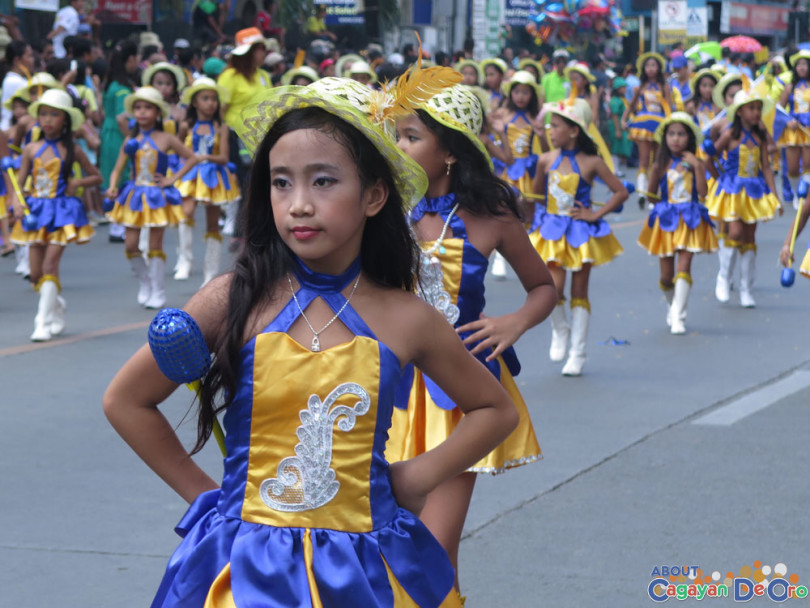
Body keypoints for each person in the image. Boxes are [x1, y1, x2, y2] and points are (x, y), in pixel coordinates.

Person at [102, 75, 518, 607]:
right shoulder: (233, 298)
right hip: (243, 572)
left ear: (373, 195)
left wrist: (417, 477)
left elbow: (494, 409)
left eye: (322, 182)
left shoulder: (408, 317)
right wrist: (207, 496)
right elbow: (126, 400)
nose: (298, 204)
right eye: (281, 182)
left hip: (363, 573)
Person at [389, 83, 555, 600]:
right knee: (378, 539)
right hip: (382, 386)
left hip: (459, 393)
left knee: (434, 548)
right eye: (395, 135)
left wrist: (514, 323)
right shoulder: (379, 208)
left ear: (451, 151)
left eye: (411, 137)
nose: (397, 147)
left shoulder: (493, 215)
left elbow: (544, 287)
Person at [530, 98, 628, 376]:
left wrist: (595, 215)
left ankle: (578, 353)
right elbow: (537, 198)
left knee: (579, 292)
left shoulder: (592, 162)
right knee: (552, 288)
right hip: (551, 232)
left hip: (579, 233)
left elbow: (620, 192)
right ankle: (560, 329)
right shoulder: (545, 160)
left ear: (574, 131)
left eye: (556, 126)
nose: (550, 130)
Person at [8, 89, 100, 341]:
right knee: (36, 274)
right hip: (36, 212)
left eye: (54, 115)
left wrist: (77, 183)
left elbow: (97, 177)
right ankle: (57, 305)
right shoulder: (30, 148)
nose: (47, 120)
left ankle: (42, 322)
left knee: (50, 266)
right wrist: (16, 203)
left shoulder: (73, 150)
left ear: (65, 120)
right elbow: (19, 181)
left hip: (62, 212)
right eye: (44, 114)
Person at [105, 86, 198, 309]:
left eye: (147, 108)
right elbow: (118, 168)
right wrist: (111, 186)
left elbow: (192, 158)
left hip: (157, 195)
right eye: (138, 108)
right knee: (130, 245)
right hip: (134, 194)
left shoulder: (166, 138)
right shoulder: (130, 139)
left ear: (158, 112)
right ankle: (144, 282)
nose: (142, 112)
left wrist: (172, 179)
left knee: (155, 244)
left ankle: (158, 290)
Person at [637, 112, 717, 334]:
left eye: (681, 134)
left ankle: (678, 317)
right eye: (671, 134)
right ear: (665, 138)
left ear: (690, 137)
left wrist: (698, 167)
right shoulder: (659, 164)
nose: (676, 139)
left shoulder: (695, 163)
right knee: (665, 276)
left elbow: (703, 193)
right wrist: (649, 196)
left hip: (690, 219)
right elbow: (651, 194)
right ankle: (673, 307)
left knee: (684, 266)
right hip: (666, 219)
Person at [706, 88, 781, 308]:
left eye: (758, 108)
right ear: (739, 112)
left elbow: (766, 167)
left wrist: (774, 196)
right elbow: (710, 158)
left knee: (749, 239)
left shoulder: (760, 135)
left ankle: (746, 289)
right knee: (735, 232)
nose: (756, 112)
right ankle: (723, 277)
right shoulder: (730, 134)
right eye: (751, 108)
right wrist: (720, 179)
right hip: (733, 189)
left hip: (754, 190)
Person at [177, 77, 239, 286]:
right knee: (186, 213)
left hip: (212, 176)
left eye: (213, 99)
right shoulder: (186, 125)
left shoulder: (221, 127)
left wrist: (204, 158)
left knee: (213, 224)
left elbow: (224, 157)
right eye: (205, 98)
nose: (210, 103)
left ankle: (210, 274)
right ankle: (185, 259)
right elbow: (177, 150)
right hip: (191, 175)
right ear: (195, 102)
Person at [622, 52, 674, 209]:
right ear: (643, 69)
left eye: (653, 66)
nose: (650, 69)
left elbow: (669, 107)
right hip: (643, 124)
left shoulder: (664, 87)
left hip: (660, 124)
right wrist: (624, 120)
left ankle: (653, 194)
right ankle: (642, 193)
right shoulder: (640, 87)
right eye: (648, 66)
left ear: (659, 68)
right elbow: (631, 106)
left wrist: (671, 125)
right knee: (643, 160)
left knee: (658, 161)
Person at [100, 40, 139, 243]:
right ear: (130, 59)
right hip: (118, 134)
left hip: (107, 133)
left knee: (112, 174)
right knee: (124, 175)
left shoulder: (111, 84)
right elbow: (122, 117)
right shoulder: (123, 88)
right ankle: (118, 224)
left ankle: (115, 223)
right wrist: (130, 139)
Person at [778, 49, 810, 209]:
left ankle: (804, 194)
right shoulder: (790, 86)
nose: (802, 68)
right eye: (799, 65)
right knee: (791, 167)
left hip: (808, 131)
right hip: (793, 130)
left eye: (805, 64)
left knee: (807, 164)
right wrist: (787, 120)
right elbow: (779, 109)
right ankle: (797, 191)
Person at [1, 40, 34, 130]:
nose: (33, 60)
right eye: (30, 56)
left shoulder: (18, 79)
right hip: (10, 130)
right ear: (17, 60)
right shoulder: (13, 81)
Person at [608, 76, 632, 176]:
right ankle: (615, 169)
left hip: (621, 127)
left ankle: (616, 169)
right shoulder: (615, 100)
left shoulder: (622, 99)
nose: (625, 89)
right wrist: (618, 130)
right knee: (615, 150)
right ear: (618, 88)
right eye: (623, 87)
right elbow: (614, 115)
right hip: (616, 127)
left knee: (619, 149)